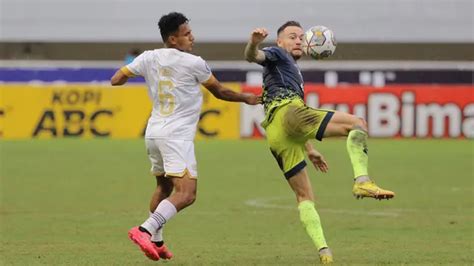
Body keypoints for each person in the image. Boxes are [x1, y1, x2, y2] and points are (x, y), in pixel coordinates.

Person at [110, 12, 261, 261]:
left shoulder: (148, 57)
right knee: (187, 194)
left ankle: (157, 242)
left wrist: (140, 76)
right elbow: (220, 91)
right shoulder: (194, 63)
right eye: (187, 34)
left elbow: (116, 79)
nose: (193, 37)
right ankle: (144, 229)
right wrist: (246, 98)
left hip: (154, 133)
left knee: (164, 186)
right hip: (176, 136)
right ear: (173, 39)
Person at [244, 21, 395, 264]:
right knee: (357, 124)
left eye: (301, 37)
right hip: (290, 113)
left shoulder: (286, 69)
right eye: (292, 36)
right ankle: (362, 181)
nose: (298, 41)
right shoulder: (277, 54)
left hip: (276, 134)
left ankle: (324, 252)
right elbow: (253, 56)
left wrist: (310, 149)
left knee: (304, 196)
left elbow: (287, 125)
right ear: (280, 41)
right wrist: (254, 42)